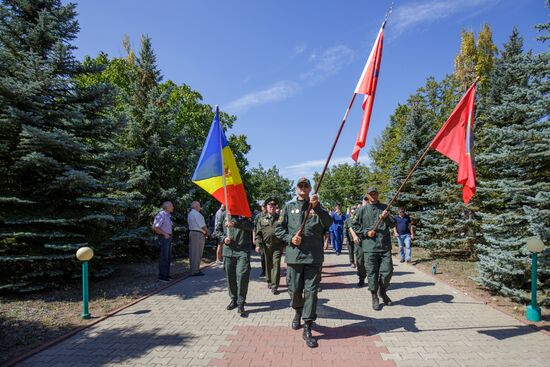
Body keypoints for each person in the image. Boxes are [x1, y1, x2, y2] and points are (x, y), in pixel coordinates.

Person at [275, 177, 332, 348]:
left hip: (313, 257)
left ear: (310, 189)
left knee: (311, 291)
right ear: (296, 189)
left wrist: (318, 207)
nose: (303, 188)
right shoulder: (288, 207)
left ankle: (308, 326)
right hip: (294, 256)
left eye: (306, 186)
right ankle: (298, 311)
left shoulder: (317, 206)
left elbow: (328, 224)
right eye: (300, 185)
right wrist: (290, 239)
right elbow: (278, 228)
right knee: (294, 290)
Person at [352, 187, 395, 311]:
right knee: (372, 273)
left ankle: (382, 291)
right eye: (371, 194)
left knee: (388, 271)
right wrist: (366, 233)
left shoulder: (385, 207)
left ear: (378, 194)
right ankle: (374, 296)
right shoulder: (361, 210)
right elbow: (354, 225)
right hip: (369, 247)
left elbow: (392, 224)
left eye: (375, 193)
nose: (373, 195)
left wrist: (386, 217)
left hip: (384, 246)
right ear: (368, 195)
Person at [215, 214, 254, 314]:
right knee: (230, 276)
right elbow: (217, 231)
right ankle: (234, 299)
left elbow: (251, 226)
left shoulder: (244, 213)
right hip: (228, 250)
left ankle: (241, 302)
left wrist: (236, 224)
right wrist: (224, 238)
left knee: (242, 275)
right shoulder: (224, 215)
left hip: (243, 250)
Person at [255, 197, 285, 294]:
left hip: (277, 246)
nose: (272, 207)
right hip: (266, 246)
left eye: (273, 205)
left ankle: (274, 285)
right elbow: (258, 233)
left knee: (276, 264)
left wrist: (285, 243)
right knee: (268, 265)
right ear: (266, 207)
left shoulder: (280, 219)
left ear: (275, 207)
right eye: (270, 205)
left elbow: (285, 231)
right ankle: (269, 280)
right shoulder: (261, 219)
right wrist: (258, 244)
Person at [152, 201, 174, 282]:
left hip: (168, 237)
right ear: (167, 207)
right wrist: (164, 234)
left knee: (168, 257)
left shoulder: (168, 215)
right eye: (171, 206)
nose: (173, 207)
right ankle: (162, 276)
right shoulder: (161, 214)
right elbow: (155, 227)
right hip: (164, 237)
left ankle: (166, 275)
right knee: (164, 257)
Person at [188, 201, 209, 276]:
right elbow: (202, 226)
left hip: (193, 233)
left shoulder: (190, 213)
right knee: (197, 252)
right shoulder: (197, 214)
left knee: (193, 252)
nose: (200, 207)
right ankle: (195, 271)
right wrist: (207, 232)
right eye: (199, 206)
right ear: (196, 206)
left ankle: (193, 269)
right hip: (197, 234)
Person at [253, 203, 267, 278]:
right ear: (261, 207)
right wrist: (254, 239)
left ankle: (269, 272)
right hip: (261, 240)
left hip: (268, 240)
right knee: (262, 256)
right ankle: (264, 271)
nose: (264, 207)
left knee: (269, 257)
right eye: (263, 206)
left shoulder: (270, 215)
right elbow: (254, 228)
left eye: (265, 206)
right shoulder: (258, 216)